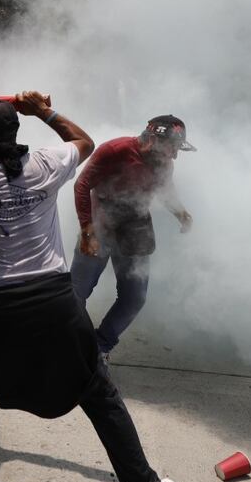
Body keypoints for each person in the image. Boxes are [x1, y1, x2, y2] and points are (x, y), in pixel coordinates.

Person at [0, 94, 180, 482]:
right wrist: (42, 111)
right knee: (98, 393)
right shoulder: (44, 164)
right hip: (55, 303)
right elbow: (84, 141)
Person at [71, 115, 195, 363]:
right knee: (76, 293)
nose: (174, 155)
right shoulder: (114, 150)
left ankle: (100, 347)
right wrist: (87, 230)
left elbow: (165, 189)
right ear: (153, 139)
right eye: (172, 147)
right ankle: (72, 346)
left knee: (135, 297)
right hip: (100, 223)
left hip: (136, 226)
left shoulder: (164, 164)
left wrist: (180, 212)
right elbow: (82, 186)